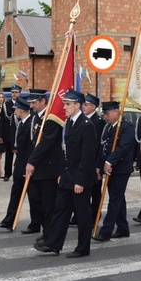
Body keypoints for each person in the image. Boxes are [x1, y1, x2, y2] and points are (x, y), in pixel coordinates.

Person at [34, 90, 97, 257]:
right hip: (68, 176)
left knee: (82, 214)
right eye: (65, 103)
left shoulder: (86, 125)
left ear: (78, 105)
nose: (65, 107)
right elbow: (66, 152)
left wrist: (80, 181)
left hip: (80, 179)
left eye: (68, 104)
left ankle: (83, 248)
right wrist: (63, 172)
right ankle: (53, 244)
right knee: (60, 211)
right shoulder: (69, 123)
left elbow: (87, 156)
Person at [91, 101, 135, 242]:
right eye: (105, 114)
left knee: (114, 200)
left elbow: (123, 147)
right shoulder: (109, 128)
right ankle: (123, 228)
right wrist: (99, 166)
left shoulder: (126, 127)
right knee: (118, 198)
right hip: (110, 169)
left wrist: (109, 162)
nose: (106, 117)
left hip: (121, 168)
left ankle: (106, 231)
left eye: (108, 114)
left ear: (117, 112)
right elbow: (103, 149)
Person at [24, 89, 63, 237]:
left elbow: (45, 143)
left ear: (43, 101)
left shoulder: (51, 119)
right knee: (36, 199)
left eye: (34, 103)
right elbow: (33, 143)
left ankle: (50, 234)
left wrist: (32, 162)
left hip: (49, 168)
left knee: (49, 204)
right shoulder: (37, 118)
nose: (31, 106)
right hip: (38, 168)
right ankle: (42, 229)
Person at [0, 96, 33, 230]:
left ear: (21, 110)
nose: (14, 112)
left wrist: (28, 167)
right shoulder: (21, 123)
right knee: (15, 194)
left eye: (16, 110)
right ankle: (9, 221)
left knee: (34, 198)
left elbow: (31, 149)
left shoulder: (31, 124)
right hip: (19, 165)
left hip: (27, 167)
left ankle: (37, 223)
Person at [76, 93, 104, 226]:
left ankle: (95, 216)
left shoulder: (99, 122)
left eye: (86, 105)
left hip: (93, 162)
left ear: (93, 107)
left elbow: (97, 146)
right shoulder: (82, 120)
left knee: (95, 192)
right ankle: (78, 216)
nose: (83, 107)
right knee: (82, 192)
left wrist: (98, 165)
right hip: (82, 162)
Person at [2, 84, 21, 182]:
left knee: (20, 155)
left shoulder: (22, 104)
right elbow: (3, 120)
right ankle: (7, 174)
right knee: (8, 156)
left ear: (19, 93)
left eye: (16, 92)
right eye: (13, 92)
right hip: (9, 134)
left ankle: (19, 173)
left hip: (19, 134)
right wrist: (1, 135)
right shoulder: (6, 105)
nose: (14, 94)